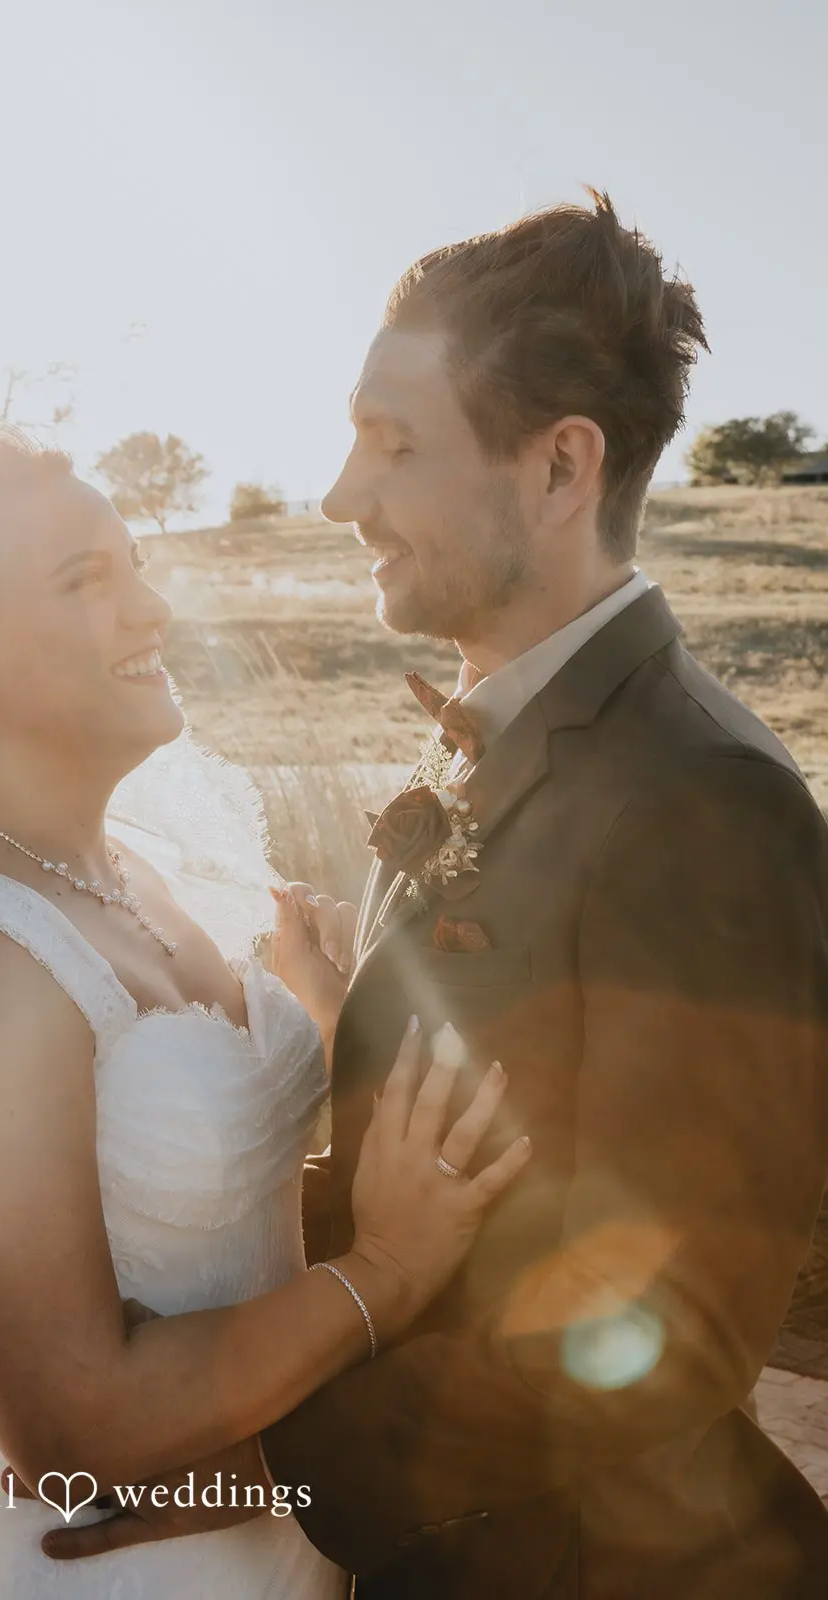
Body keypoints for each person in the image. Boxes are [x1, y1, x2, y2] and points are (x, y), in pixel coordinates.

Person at [46, 193, 828, 1595]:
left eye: (392, 444)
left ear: (557, 469)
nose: (343, 497)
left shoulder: (703, 799)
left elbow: (682, 1323)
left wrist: (280, 1461)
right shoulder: (502, 725)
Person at [0, 426, 530, 1598]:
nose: (151, 611)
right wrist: (387, 1268)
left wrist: (337, 1032)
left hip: (266, 1520)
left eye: (134, 564)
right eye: (88, 580)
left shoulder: (136, 875)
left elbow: (195, 1208)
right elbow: (69, 1423)